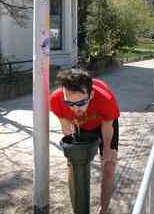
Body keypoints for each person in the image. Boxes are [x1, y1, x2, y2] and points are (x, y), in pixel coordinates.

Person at [50, 69, 120, 214]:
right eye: (70, 103)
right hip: (79, 125)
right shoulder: (57, 100)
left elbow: (108, 127)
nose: (76, 108)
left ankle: (104, 210)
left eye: (81, 102)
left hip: (103, 124)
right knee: (72, 166)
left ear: (91, 94)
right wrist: (73, 155)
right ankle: (77, 209)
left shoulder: (106, 99)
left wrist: (107, 149)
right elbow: (67, 129)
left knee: (109, 165)